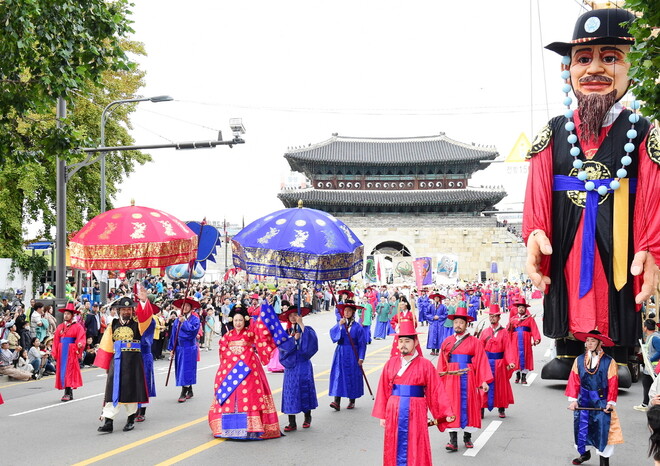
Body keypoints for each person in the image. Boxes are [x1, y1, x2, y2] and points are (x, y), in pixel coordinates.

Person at [524, 8, 659, 360]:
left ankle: (620, 354)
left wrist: (650, 248)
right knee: (566, 286)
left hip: (620, 237)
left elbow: (651, 196)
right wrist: (535, 232)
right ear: (567, 69)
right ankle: (566, 349)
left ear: (631, 67)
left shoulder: (643, 132)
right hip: (568, 231)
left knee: (617, 288)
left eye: (611, 57)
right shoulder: (554, 131)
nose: (595, 69)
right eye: (583, 58)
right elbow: (538, 189)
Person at [372, 319, 454, 466]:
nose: (403, 344)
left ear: (415, 342)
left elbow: (435, 391)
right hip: (394, 411)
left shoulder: (425, 365)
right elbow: (383, 389)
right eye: (400, 341)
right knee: (393, 443)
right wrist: (382, 414)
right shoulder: (391, 363)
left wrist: (445, 414)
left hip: (416, 410)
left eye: (407, 341)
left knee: (416, 443)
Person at [208, 306, 281, 439]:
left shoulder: (250, 334)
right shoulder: (227, 337)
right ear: (232, 321)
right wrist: (235, 359)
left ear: (245, 320)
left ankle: (250, 429)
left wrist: (262, 318)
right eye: (236, 320)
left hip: (249, 371)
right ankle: (228, 428)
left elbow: (261, 338)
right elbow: (223, 352)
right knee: (231, 398)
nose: (238, 323)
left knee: (249, 396)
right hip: (230, 371)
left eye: (240, 320)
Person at [94, 290, 153, 433]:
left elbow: (147, 317)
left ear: (132, 310)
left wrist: (144, 302)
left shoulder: (138, 324)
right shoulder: (113, 324)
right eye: (124, 309)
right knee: (112, 389)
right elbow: (107, 343)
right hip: (117, 360)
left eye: (129, 309)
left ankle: (131, 419)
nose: (126, 311)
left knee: (131, 389)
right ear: (119, 310)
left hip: (133, 361)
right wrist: (107, 362)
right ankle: (108, 421)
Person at [438, 306, 493, 452]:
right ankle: (453, 440)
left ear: (466, 324)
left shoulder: (475, 342)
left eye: (461, 323)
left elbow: (481, 361)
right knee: (451, 406)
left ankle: (467, 437)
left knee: (469, 405)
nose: (458, 325)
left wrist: (483, 381)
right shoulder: (447, 342)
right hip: (451, 378)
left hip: (468, 378)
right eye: (456, 322)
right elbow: (442, 364)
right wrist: (440, 380)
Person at [566, 330, 623, 466]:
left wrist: (610, 402)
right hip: (584, 400)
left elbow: (613, 382)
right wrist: (573, 400)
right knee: (581, 428)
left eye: (593, 340)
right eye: (588, 340)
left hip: (601, 401)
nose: (589, 343)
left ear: (600, 343)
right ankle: (584, 454)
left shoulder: (609, 361)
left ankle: (604, 462)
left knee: (603, 431)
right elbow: (574, 380)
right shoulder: (579, 360)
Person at [278, 305, 318, 432]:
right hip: (291, 366)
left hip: (303, 364)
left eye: (296, 314)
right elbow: (282, 348)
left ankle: (307, 417)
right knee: (291, 392)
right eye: (290, 315)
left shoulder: (308, 330)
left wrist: (302, 327)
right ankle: (292, 422)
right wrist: (293, 340)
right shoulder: (287, 332)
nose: (293, 317)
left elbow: (311, 346)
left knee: (304, 390)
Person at [479, 303, 515, 419]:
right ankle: (481, 408)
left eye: (494, 316)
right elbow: (479, 348)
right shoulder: (485, 332)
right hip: (487, 363)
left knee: (501, 386)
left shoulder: (504, 332)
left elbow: (508, 348)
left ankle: (501, 408)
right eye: (490, 316)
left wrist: (510, 361)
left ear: (499, 317)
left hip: (499, 363)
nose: (492, 318)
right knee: (483, 384)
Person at [329, 302, 367, 411]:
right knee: (338, 375)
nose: (346, 313)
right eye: (345, 311)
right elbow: (333, 335)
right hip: (340, 352)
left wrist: (361, 357)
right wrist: (339, 325)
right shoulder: (340, 323)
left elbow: (362, 344)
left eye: (349, 311)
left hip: (352, 353)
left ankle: (352, 399)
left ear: (353, 312)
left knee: (352, 375)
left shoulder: (358, 327)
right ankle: (336, 401)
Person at [168, 297, 201, 403]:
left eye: (187, 305)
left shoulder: (195, 319)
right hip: (179, 348)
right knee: (180, 369)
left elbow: (193, 332)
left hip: (189, 347)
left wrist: (185, 322)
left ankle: (183, 392)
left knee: (186, 370)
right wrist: (172, 348)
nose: (185, 307)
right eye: (183, 305)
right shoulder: (177, 320)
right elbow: (174, 335)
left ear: (191, 308)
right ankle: (190, 390)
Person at [52, 302, 86, 401]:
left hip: (71, 351)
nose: (66, 315)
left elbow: (81, 338)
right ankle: (68, 392)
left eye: (68, 314)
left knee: (69, 371)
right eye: (65, 314)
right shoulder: (60, 327)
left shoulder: (77, 326)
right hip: (62, 350)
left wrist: (79, 344)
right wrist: (54, 351)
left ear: (72, 315)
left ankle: (67, 392)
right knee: (63, 371)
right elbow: (56, 340)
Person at [508, 298, 541, 384]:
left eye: (523, 307)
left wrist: (536, 339)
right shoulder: (513, 318)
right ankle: (517, 374)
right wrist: (516, 321)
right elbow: (508, 329)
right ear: (517, 309)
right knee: (516, 358)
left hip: (526, 341)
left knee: (526, 357)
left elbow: (534, 329)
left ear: (525, 309)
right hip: (515, 342)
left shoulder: (529, 319)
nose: (521, 309)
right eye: (520, 307)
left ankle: (524, 377)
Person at [638, 319, 660, 411]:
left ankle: (649, 405)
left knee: (652, 387)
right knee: (647, 384)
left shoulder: (655, 338)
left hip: (654, 368)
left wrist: (650, 359)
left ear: (646, 327)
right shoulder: (650, 337)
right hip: (649, 367)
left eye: (644, 326)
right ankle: (645, 404)